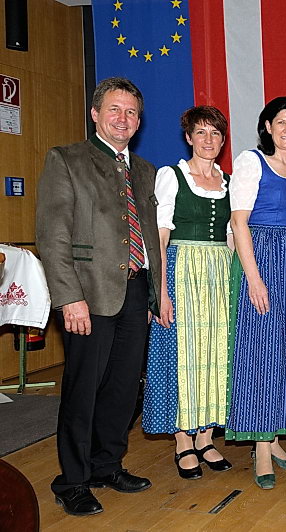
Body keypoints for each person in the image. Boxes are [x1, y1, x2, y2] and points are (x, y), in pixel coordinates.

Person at [36, 77, 161, 516]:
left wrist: (154, 295)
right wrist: (69, 297)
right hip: (87, 296)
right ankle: (72, 480)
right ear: (95, 114)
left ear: (139, 121)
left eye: (131, 112)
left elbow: (150, 237)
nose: (123, 119)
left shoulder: (144, 171)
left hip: (135, 292)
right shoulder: (66, 159)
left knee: (123, 389)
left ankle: (107, 466)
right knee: (83, 391)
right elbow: (52, 235)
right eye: (114, 109)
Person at [226, 96, 286, 490]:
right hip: (261, 259)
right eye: (281, 122)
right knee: (262, 352)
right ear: (267, 126)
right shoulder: (251, 162)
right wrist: (254, 278)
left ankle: (275, 438)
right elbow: (238, 222)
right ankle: (260, 449)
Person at [142, 106, 233, 480]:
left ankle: (206, 436)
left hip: (219, 275)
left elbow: (231, 238)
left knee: (215, 353)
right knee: (181, 354)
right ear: (188, 137)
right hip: (182, 272)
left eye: (215, 133)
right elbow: (159, 239)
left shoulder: (228, 181)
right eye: (201, 132)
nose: (208, 140)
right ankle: (183, 439)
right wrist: (160, 292)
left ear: (222, 140)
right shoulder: (172, 176)